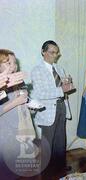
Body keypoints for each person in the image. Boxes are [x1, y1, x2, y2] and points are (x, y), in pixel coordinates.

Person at [31, 40, 72, 171]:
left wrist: (67, 83)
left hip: (61, 106)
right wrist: (62, 90)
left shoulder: (59, 69)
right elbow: (39, 93)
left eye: (56, 53)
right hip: (47, 110)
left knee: (60, 139)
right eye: (52, 52)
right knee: (48, 141)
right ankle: (46, 169)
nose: (55, 55)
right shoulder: (37, 70)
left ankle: (60, 166)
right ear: (43, 52)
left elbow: (63, 88)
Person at [0, 49, 30, 178]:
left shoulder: (17, 82)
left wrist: (28, 104)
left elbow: (23, 104)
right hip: (4, 135)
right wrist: (17, 102)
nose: (13, 66)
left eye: (14, 63)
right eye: (8, 63)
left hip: (17, 131)